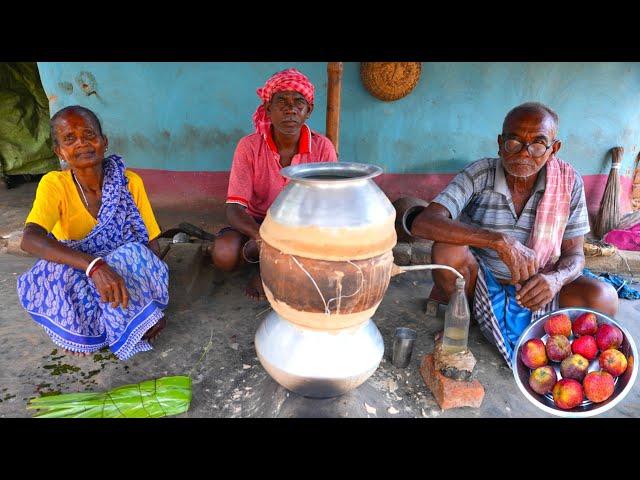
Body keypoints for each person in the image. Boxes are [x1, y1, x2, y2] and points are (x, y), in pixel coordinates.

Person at [409, 102, 618, 365]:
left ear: (554, 149)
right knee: (445, 249)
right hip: (483, 282)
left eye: (538, 143)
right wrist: (498, 241)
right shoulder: (480, 173)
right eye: (514, 142)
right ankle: (471, 313)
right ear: (500, 143)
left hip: (540, 285)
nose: (524, 153)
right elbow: (424, 223)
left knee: (604, 298)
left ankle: (536, 331)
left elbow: (575, 255)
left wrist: (556, 279)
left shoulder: (568, 181)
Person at [17, 105, 168, 360]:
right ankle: (84, 331)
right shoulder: (54, 184)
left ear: (104, 141)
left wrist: (153, 300)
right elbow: (30, 239)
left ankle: (131, 320)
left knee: (133, 254)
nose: (82, 144)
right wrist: (94, 266)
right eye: (69, 139)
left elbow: (151, 245)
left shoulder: (129, 181)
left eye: (89, 135)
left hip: (123, 274)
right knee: (51, 270)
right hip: (82, 268)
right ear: (59, 152)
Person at [209, 68, 338, 299]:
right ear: (268, 109)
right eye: (282, 102)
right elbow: (235, 208)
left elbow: (329, 205)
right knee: (224, 254)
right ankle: (267, 261)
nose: (290, 109)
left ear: (309, 111)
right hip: (257, 222)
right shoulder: (249, 146)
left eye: (299, 102)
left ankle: (267, 270)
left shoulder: (322, 147)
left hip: (302, 224)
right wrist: (261, 236)